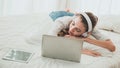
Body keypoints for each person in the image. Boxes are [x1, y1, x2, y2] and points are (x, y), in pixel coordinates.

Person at [48, 11, 115, 57]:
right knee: (54, 14)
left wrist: (85, 39)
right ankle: (69, 12)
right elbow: (51, 43)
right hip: (58, 15)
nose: (71, 29)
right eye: (73, 24)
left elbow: (112, 47)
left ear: (86, 33)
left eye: (77, 30)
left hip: (76, 18)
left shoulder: (91, 29)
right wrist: (81, 51)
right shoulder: (62, 21)